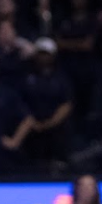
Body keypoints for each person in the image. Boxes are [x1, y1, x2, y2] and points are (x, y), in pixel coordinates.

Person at [21, 38, 73, 169]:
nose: (43, 57)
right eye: (41, 53)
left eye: (47, 54)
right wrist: (32, 121)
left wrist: (50, 123)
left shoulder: (61, 78)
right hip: (32, 130)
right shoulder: (27, 76)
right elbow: (21, 101)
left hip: (56, 130)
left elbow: (66, 104)